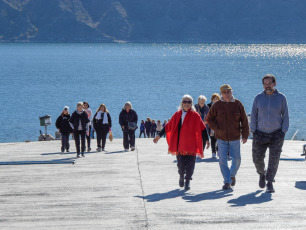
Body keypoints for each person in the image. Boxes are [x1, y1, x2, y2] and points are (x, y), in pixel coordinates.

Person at [153, 95, 210, 190]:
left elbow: (203, 128)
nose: (187, 104)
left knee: (191, 164)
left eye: (189, 102)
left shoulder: (195, 115)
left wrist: (207, 140)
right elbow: (168, 126)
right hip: (180, 144)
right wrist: (159, 135)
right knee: (181, 164)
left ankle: (187, 181)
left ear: (191, 104)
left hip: (191, 144)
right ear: (182, 103)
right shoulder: (177, 114)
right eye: (185, 102)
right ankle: (181, 175)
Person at [250, 74, 289, 193]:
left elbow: (285, 115)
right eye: (265, 84)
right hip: (260, 133)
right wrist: (254, 130)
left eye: (269, 83)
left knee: (274, 159)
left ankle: (270, 182)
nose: (267, 86)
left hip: (276, 134)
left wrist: (283, 131)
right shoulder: (258, 98)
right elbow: (253, 115)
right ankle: (262, 173)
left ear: (275, 84)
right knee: (257, 159)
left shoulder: (281, 98)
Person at [206, 84, 249, 190]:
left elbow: (244, 120)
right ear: (221, 93)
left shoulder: (238, 104)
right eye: (224, 92)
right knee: (222, 160)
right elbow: (209, 119)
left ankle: (232, 174)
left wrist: (245, 135)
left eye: (228, 92)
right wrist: (216, 129)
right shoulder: (217, 105)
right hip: (221, 137)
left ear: (232, 92)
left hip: (235, 136)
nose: (226, 94)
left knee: (237, 159)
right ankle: (227, 181)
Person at [207, 93, 221, 158]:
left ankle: (218, 151)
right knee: (213, 139)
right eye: (214, 99)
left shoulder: (221, 105)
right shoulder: (208, 106)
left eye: (217, 99)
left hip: (219, 125)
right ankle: (213, 152)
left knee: (219, 139)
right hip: (212, 125)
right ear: (212, 100)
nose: (215, 100)